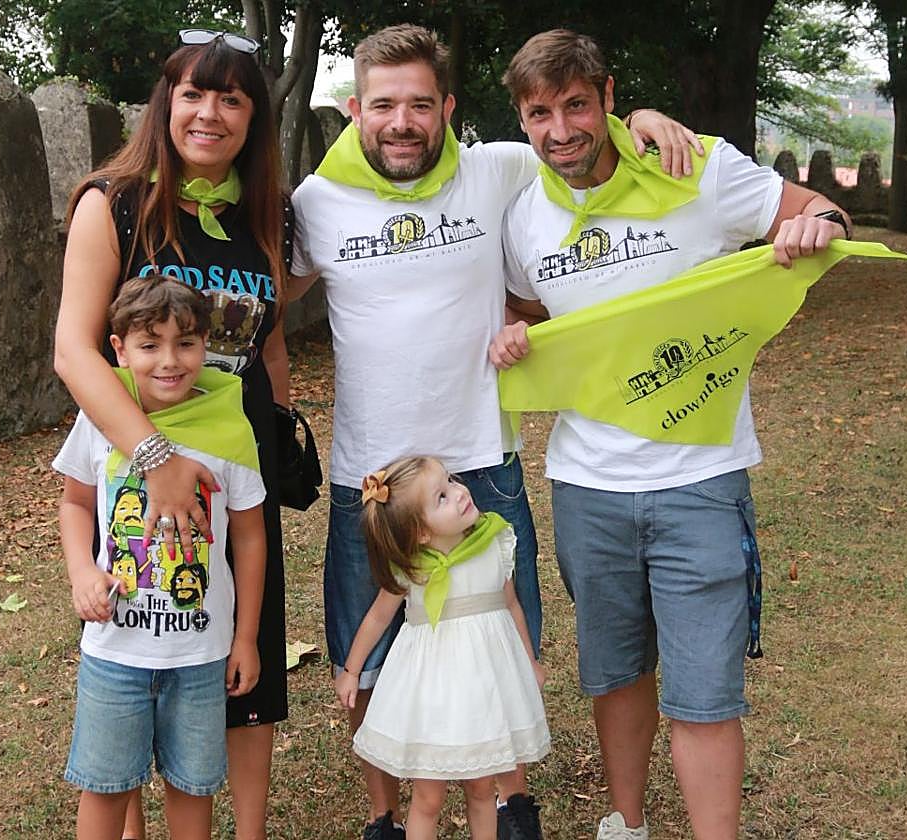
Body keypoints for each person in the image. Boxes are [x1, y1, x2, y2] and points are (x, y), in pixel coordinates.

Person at [288, 23, 701, 840]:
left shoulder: (499, 169)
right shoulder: (314, 202)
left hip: (478, 461)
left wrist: (641, 119)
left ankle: (507, 804)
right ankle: (385, 814)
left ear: (446, 108)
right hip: (369, 477)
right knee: (368, 652)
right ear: (353, 109)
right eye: (382, 105)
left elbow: (581, 152)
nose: (400, 122)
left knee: (501, 648)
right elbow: (264, 297)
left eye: (417, 104)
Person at [489, 30, 853, 840]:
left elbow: (819, 210)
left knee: (703, 691)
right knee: (616, 676)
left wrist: (812, 224)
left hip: (701, 480)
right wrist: (518, 336)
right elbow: (527, 310)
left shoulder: (699, 166)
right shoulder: (523, 217)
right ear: (521, 120)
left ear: (609, 97)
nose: (560, 130)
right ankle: (627, 824)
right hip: (586, 487)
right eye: (539, 112)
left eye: (576, 104)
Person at [53, 30, 292, 840]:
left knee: (237, 669)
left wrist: (280, 432)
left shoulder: (264, 210)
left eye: (231, 97)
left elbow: (271, 338)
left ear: (253, 116)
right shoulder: (113, 201)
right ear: (166, 102)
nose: (210, 112)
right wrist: (153, 461)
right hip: (141, 462)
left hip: (233, 464)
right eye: (193, 92)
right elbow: (74, 350)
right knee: (142, 653)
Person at [54, 276, 266, 840]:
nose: (170, 361)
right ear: (118, 349)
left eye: (186, 343)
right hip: (114, 654)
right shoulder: (100, 420)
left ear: (206, 346)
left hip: (199, 655)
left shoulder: (229, 427)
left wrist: (245, 638)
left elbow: (248, 537)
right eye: (150, 345)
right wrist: (82, 571)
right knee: (104, 788)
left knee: (192, 789)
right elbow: (75, 503)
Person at [335, 457, 549, 840]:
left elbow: (512, 605)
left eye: (451, 482)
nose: (460, 493)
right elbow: (377, 617)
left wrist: (528, 660)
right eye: (442, 497)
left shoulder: (493, 543)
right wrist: (351, 670)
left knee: (482, 788)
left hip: (484, 688)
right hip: (432, 694)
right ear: (420, 533)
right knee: (428, 797)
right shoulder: (413, 567)